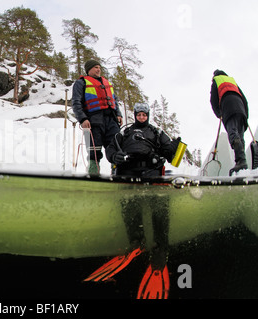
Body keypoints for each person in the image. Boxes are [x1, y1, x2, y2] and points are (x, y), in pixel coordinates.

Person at [84, 103, 181, 299]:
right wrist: (115, 156)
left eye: (145, 114)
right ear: (135, 115)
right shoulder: (125, 132)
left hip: (152, 175)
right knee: (130, 209)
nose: (142, 117)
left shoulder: (156, 132)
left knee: (159, 210)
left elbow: (171, 155)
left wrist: (174, 146)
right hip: (128, 175)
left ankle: (160, 250)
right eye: (139, 114)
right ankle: (137, 241)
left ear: (148, 115)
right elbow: (111, 149)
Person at [71, 60, 123, 176]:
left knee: (116, 148)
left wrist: (118, 114)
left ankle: (117, 175)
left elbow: (114, 100)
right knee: (94, 152)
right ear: (88, 69)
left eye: (99, 67)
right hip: (93, 121)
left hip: (111, 120)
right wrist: (83, 119)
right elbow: (76, 102)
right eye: (95, 67)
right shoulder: (81, 83)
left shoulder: (107, 83)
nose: (98, 69)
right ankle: (93, 176)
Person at [210, 70, 249, 175]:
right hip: (240, 108)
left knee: (233, 132)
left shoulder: (216, 80)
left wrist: (219, 113)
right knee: (240, 137)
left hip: (228, 106)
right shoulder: (231, 80)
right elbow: (244, 99)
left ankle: (240, 162)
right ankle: (242, 162)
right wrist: (246, 115)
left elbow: (213, 99)